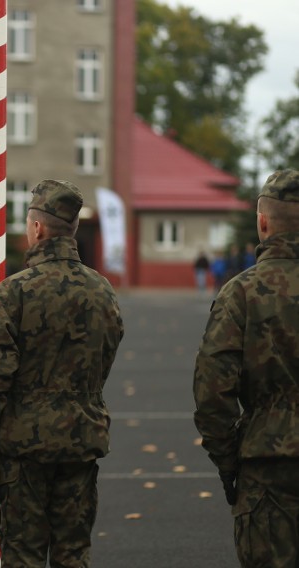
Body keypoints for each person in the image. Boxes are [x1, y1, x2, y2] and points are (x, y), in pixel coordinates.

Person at [0, 180, 124, 567]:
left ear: (36, 229)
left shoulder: (13, 293)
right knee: (73, 554)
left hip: (25, 452)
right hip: (80, 442)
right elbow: (104, 359)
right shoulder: (102, 291)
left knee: (23, 556)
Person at [193, 169, 299, 568]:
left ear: (264, 222)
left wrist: (227, 462)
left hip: (266, 465)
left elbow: (212, 391)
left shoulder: (241, 293)